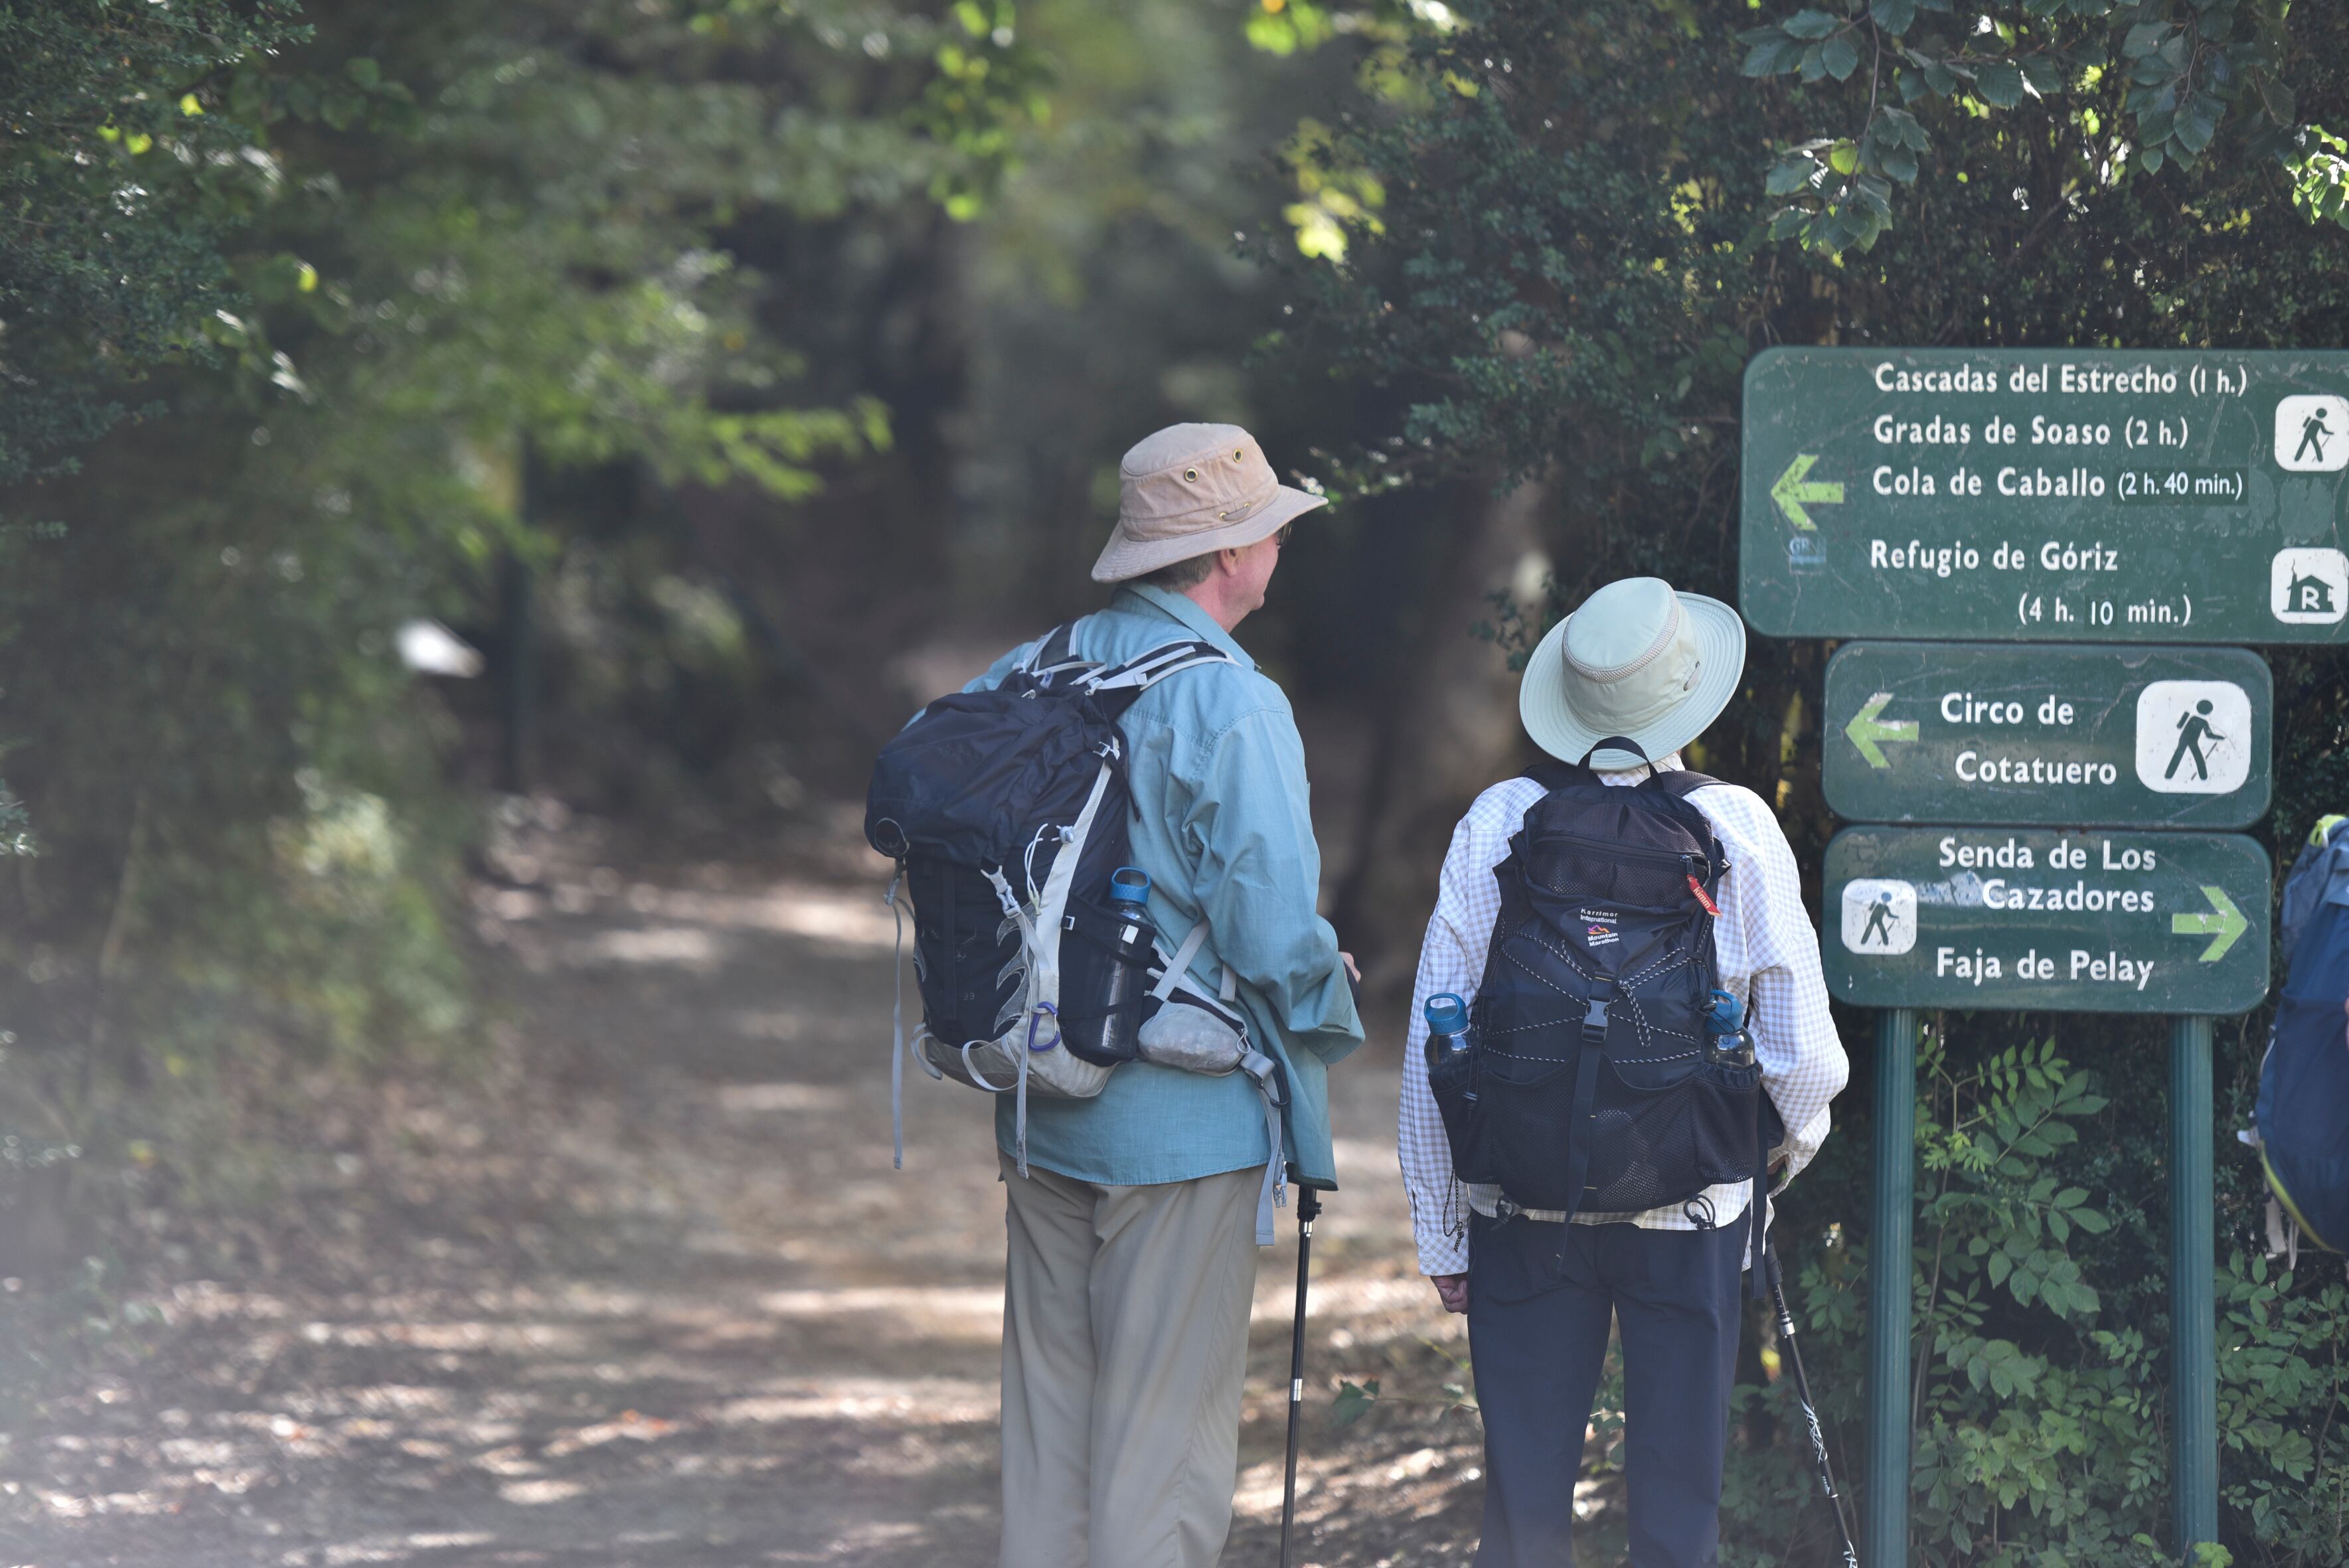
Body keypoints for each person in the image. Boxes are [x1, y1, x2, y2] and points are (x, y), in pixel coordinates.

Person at [960, 423, 1364, 1568]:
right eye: (1269, 526)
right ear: (1233, 556)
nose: (1278, 542)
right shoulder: (1231, 704)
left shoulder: (1040, 664)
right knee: (1164, 1440)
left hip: (1039, 1086)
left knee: (1051, 1420)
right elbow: (1274, 930)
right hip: (1183, 1122)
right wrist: (1330, 1012)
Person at [1397, 576, 1850, 1567]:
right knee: (1679, 1508)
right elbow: (1806, 1058)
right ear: (1687, 694)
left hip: (1519, 1204)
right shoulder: (1734, 827)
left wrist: (1441, 1223)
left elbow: (1437, 1034)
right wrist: (1762, 1165)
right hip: (1687, 1213)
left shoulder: (1500, 819)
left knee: (1521, 1505)